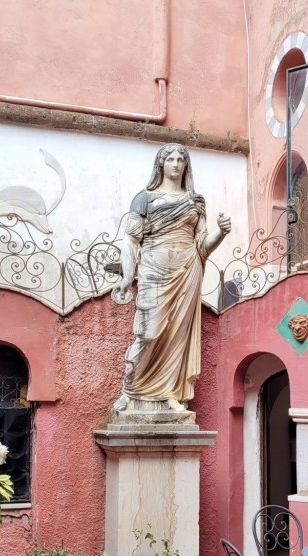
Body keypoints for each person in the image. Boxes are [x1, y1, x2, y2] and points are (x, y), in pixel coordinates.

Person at [111, 143, 231, 413]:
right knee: (148, 332)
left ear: (186, 165)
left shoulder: (196, 201)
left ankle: (169, 393)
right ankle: (130, 391)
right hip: (153, 271)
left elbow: (202, 246)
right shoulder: (145, 198)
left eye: (181, 160)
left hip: (187, 270)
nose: (176, 164)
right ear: (161, 164)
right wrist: (127, 275)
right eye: (170, 159)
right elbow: (131, 240)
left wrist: (222, 233)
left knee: (177, 335)